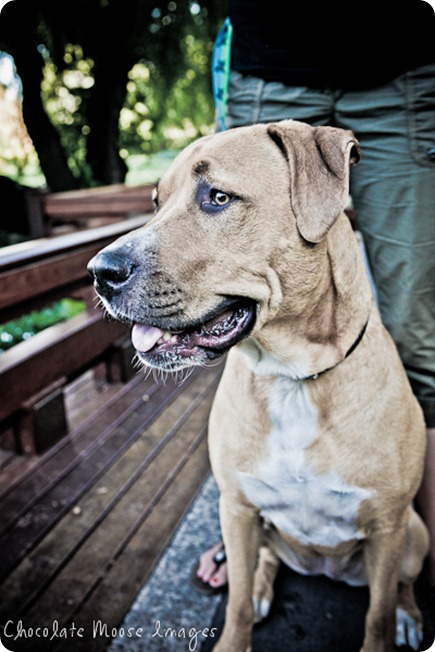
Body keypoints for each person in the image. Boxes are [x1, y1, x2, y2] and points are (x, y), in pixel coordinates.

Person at [195, 0, 435, 597]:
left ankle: (409, 533)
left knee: (418, 332)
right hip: (269, 64)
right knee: (245, 309)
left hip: (400, 68)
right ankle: (249, 514)